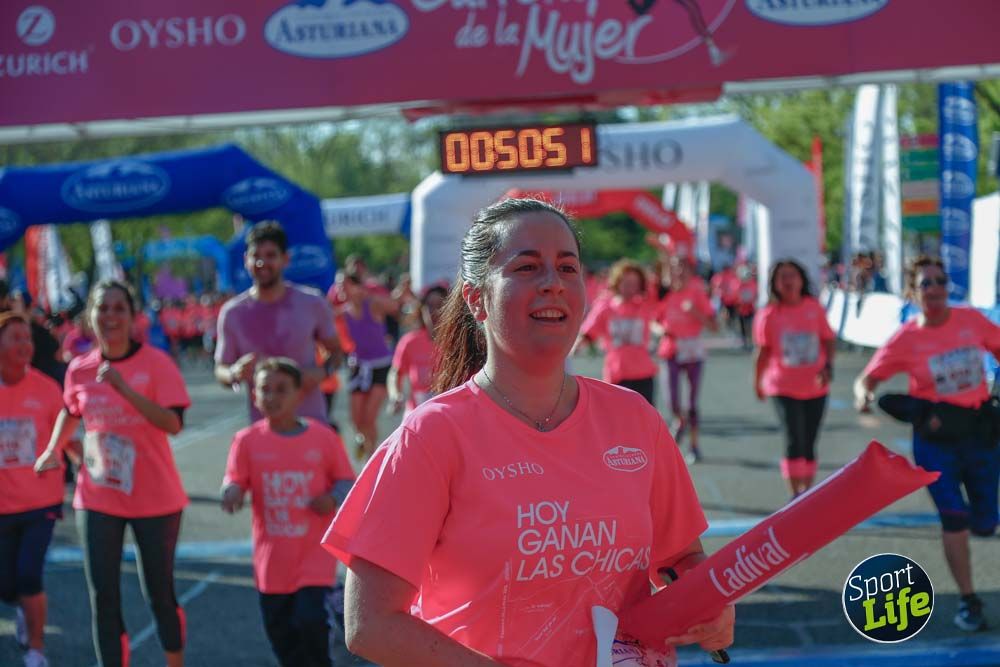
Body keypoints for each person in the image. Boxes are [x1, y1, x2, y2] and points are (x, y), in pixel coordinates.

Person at [322, 198, 734, 666]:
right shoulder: (431, 437)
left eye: (567, 267)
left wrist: (709, 605)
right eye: (527, 267)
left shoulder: (633, 419)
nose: (553, 284)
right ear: (477, 298)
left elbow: (681, 558)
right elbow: (370, 624)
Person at [33, 279, 191, 667]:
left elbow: (173, 424)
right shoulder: (80, 370)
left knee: (157, 592)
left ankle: (175, 661)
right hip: (98, 495)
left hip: (155, 498)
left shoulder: (157, 364)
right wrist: (53, 448)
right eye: (103, 308)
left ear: (134, 317)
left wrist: (124, 389)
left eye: (119, 308)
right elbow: (70, 412)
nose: (111, 316)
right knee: (103, 595)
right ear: (90, 316)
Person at [854, 255, 1000, 632]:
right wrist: (863, 395)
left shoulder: (971, 321)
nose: (934, 289)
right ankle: (969, 601)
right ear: (912, 293)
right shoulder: (906, 338)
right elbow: (869, 378)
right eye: (925, 284)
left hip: (979, 434)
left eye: (939, 281)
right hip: (935, 441)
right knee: (954, 518)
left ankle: (983, 521)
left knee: (985, 522)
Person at [221, 357, 355, 667]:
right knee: (281, 636)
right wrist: (231, 492)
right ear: (254, 395)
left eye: (281, 389)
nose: (272, 397)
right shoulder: (247, 441)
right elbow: (234, 479)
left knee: (311, 625)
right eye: (265, 389)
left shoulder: (322, 438)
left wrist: (332, 497)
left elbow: (347, 480)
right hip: (272, 563)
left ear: (299, 394)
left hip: (314, 559)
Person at [214, 221, 342, 424]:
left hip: (312, 423)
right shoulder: (232, 313)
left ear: (285, 259)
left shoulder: (311, 303)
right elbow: (221, 368)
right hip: (262, 428)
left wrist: (321, 372)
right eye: (256, 256)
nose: (262, 263)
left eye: (271, 255)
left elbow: (336, 353)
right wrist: (233, 373)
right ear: (246, 260)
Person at [0, 313, 65, 667]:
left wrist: (85, 459)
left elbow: (66, 434)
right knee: (7, 585)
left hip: (41, 500)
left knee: (29, 574)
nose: (25, 345)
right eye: (15, 339)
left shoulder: (47, 389)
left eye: (28, 338)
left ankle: (36, 649)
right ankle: (24, 609)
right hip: (2, 505)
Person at [753, 260, 835, 499]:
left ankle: (807, 492)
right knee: (793, 438)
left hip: (816, 386)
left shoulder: (814, 307)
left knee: (809, 440)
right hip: (782, 386)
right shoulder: (769, 314)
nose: (788, 281)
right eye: (782, 277)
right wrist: (757, 382)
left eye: (792, 275)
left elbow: (828, 339)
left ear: (801, 280)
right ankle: (794, 495)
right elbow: (762, 352)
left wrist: (828, 366)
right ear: (775, 284)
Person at [656, 256, 717, 463]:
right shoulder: (664, 294)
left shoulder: (697, 294)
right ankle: (678, 421)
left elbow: (714, 327)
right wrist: (661, 329)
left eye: (682, 269)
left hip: (692, 352)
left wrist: (696, 313)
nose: (678, 273)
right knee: (672, 401)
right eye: (673, 268)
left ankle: (694, 445)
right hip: (671, 351)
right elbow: (651, 322)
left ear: (690, 272)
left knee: (692, 403)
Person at [575, 259, 660, 405]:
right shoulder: (606, 307)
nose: (630, 288)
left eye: (635, 284)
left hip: (643, 374)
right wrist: (576, 346)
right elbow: (588, 332)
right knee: (619, 423)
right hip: (617, 375)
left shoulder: (644, 305)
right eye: (626, 283)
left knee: (645, 423)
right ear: (617, 282)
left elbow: (661, 284)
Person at [339, 270, 401, 460]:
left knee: (369, 417)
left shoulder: (372, 304)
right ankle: (365, 443)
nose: (340, 289)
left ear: (356, 287)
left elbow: (394, 306)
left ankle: (371, 456)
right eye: (339, 285)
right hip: (358, 366)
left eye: (344, 284)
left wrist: (370, 292)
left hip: (380, 365)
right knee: (356, 420)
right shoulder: (343, 312)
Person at [388, 285, 446, 415]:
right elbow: (395, 373)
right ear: (422, 310)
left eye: (440, 305)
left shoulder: (459, 343)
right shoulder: (410, 341)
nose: (434, 311)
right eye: (430, 306)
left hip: (448, 412)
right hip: (416, 412)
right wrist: (395, 395)